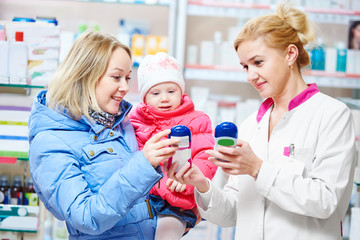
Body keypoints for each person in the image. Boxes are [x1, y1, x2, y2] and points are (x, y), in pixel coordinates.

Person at [166, 3, 357, 240]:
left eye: (258, 63)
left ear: (290, 54)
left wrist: (257, 168)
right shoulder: (249, 127)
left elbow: (328, 201)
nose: (250, 75)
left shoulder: (332, 115)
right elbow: (233, 214)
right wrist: (202, 185)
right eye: (245, 66)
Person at [28, 31, 180, 240]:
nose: (125, 87)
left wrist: (181, 212)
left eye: (127, 77)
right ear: (85, 74)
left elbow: (137, 201)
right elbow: (85, 216)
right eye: (116, 77)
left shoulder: (119, 125)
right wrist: (143, 164)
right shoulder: (50, 141)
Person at [129, 52, 218, 239]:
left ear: (181, 91)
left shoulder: (197, 120)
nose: (164, 98)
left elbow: (206, 158)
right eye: (155, 93)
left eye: (171, 91)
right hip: (142, 199)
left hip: (178, 201)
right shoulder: (136, 123)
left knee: (167, 231)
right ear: (144, 97)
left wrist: (187, 182)